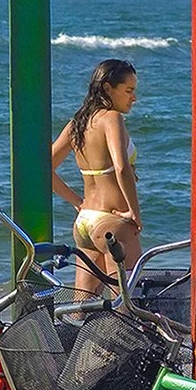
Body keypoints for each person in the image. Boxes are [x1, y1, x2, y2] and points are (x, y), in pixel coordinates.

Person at [52, 60, 142, 295]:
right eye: (129, 90)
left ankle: (74, 334)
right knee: (125, 304)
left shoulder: (77, 124)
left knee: (81, 306)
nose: (134, 98)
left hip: (85, 221)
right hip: (113, 222)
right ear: (108, 88)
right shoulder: (111, 118)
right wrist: (134, 212)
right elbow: (121, 168)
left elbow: (44, 168)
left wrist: (76, 202)